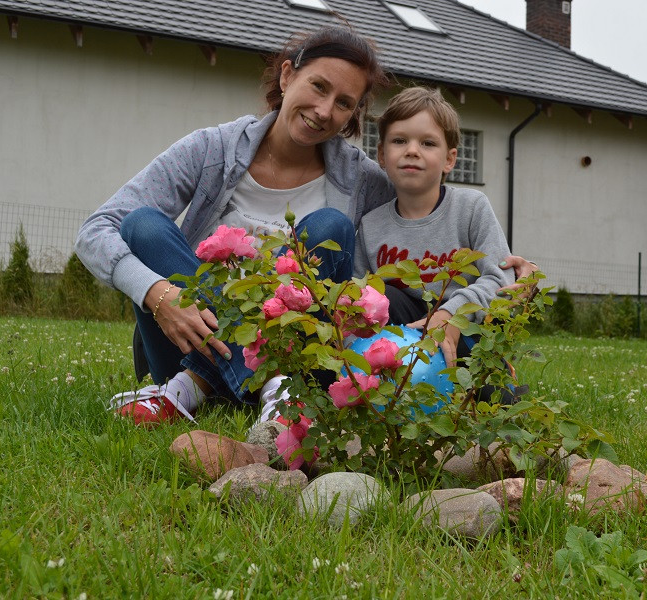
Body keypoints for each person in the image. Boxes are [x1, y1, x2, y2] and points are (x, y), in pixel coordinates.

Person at [76, 26, 537, 426]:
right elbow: (97, 229)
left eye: (343, 103)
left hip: (295, 357)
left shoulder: (362, 181)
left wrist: (511, 276)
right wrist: (159, 294)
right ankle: (260, 389)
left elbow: (424, 207)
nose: (323, 110)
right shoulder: (211, 150)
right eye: (317, 86)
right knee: (142, 226)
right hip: (194, 335)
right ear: (286, 75)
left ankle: (198, 390)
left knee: (329, 226)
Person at [353, 87, 512, 370]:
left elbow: (499, 280)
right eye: (399, 140)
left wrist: (450, 314)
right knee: (380, 296)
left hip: (464, 333)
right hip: (400, 343)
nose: (412, 151)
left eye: (427, 143)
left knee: (499, 405)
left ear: (449, 159)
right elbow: (358, 297)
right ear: (381, 154)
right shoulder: (371, 226)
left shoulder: (471, 207)